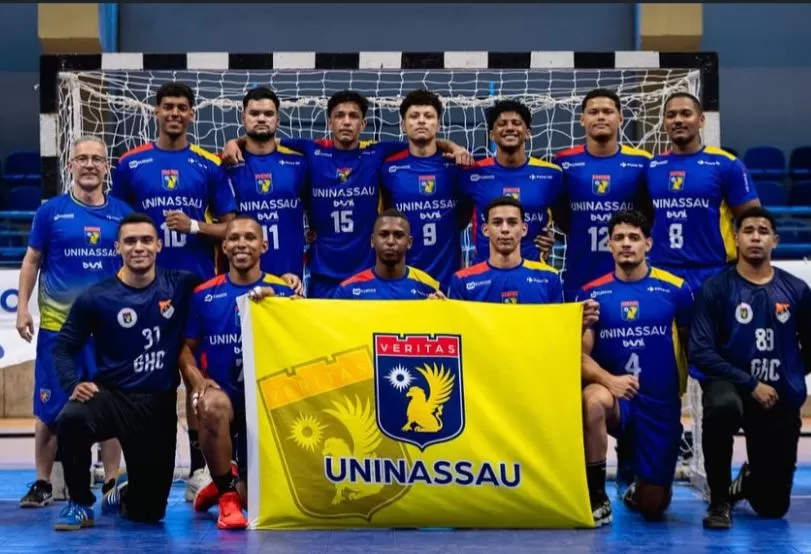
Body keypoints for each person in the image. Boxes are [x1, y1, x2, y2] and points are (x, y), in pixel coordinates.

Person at [110, 81, 238, 501]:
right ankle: (135, 464)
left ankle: (200, 470)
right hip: (143, 289)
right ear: (156, 111)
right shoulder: (130, 164)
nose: (175, 113)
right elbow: (118, 224)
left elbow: (231, 228)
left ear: (192, 114)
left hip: (195, 287)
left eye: (183, 107)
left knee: (194, 377)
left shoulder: (207, 164)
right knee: (141, 377)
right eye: (168, 106)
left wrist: (196, 226)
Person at [221, 89, 472, 299]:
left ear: (363, 124)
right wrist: (235, 142)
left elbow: (423, 142)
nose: (346, 121)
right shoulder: (310, 151)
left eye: (353, 116)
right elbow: (263, 138)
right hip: (323, 272)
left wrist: (453, 146)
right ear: (329, 122)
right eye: (339, 116)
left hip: (365, 269)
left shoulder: (376, 153)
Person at [50, 213, 202, 531]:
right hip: (112, 397)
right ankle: (79, 503)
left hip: (157, 405)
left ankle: (124, 492)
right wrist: (72, 383)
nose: (138, 247)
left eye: (146, 240)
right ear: (118, 247)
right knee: (72, 418)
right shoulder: (97, 297)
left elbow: (228, 287)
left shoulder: (182, 283)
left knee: (148, 514)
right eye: (130, 241)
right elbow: (63, 346)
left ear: (159, 245)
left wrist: (282, 283)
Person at [16, 137, 129, 508]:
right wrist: (22, 308)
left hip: (109, 330)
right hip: (58, 329)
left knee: (109, 405)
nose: (90, 165)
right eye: (83, 158)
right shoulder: (50, 213)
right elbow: (32, 260)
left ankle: (112, 482)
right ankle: (43, 483)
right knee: (49, 409)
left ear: (106, 166)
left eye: (97, 159)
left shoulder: (122, 214)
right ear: (71, 165)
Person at [689, 206, 811, 530]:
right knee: (722, 407)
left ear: (775, 240)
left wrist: (790, 378)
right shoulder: (715, 288)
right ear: (737, 238)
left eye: (762, 231)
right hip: (731, 386)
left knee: (772, 508)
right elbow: (700, 352)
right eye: (748, 230)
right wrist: (750, 383)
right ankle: (718, 500)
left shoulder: (797, 291)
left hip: (776, 395)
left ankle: (746, 480)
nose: (755, 236)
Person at [577, 210, 693, 527]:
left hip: (659, 404)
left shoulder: (676, 289)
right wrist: (608, 380)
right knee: (593, 399)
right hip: (616, 400)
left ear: (648, 244)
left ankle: (637, 485)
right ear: (609, 245)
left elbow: (691, 346)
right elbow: (577, 355)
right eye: (619, 238)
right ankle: (596, 496)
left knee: (653, 507)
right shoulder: (591, 295)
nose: (626, 244)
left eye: (634, 238)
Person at [181, 215, 298, 530]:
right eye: (233, 238)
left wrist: (282, 309)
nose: (241, 244)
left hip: (270, 400)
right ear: (224, 245)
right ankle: (228, 499)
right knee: (211, 404)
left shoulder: (283, 292)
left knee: (268, 498)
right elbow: (184, 348)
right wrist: (197, 380)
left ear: (264, 245)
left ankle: (221, 486)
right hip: (227, 397)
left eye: (249, 237)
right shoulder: (204, 293)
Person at [647, 92, 760, 295]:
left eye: (686, 113)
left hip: (714, 272)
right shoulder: (652, 167)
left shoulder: (726, 164)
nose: (678, 120)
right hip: (661, 273)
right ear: (664, 122)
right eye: (671, 115)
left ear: (701, 120)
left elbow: (754, 222)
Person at [551, 88, 653, 301]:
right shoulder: (563, 162)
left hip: (630, 274)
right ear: (582, 119)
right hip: (580, 274)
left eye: (607, 111)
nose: (600, 116)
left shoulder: (643, 162)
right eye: (593, 111)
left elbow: (651, 215)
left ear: (620, 118)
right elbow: (559, 217)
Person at [448, 197, 599, 329]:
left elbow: (556, 332)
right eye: (497, 223)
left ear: (524, 229)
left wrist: (580, 324)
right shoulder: (462, 281)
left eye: (512, 222)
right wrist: (437, 309)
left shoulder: (549, 278)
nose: (505, 229)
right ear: (485, 230)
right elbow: (457, 335)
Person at [380, 89, 466, 291]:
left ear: (439, 124)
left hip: (448, 279)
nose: (421, 121)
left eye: (428, 116)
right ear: (403, 125)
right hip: (403, 280)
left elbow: (468, 215)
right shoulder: (388, 168)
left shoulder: (457, 166)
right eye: (414, 116)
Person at [461, 100, 564, 265]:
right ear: (491, 134)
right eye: (502, 124)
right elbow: (459, 222)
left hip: (534, 272)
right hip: (484, 274)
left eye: (516, 123)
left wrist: (552, 238)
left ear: (528, 132)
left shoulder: (551, 174)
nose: (509, 128)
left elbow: (565, 222)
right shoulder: (473, 173)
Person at [225, 87, 309, 280]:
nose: (261, 119)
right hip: (242, 279)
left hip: (290, 278)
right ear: (242, 118)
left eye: (268, 114)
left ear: (277, 120)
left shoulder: (299, 163)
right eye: (254, 113)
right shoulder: (226, 164)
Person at [333, 209, 441, 300]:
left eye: (398, 235)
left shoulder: (428, 288)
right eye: (383, 234)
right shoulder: (348, 291)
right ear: (372, 240)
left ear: (409, 242)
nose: (390, 241)